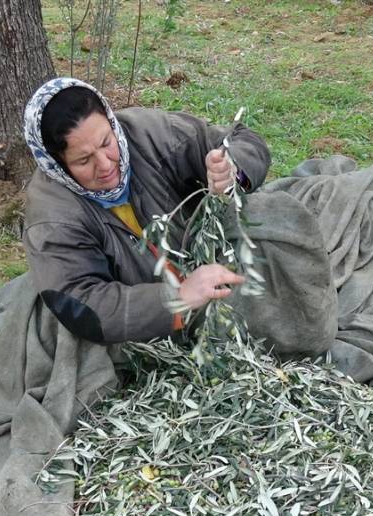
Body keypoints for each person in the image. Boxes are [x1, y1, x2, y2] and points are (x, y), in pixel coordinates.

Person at [21, 77, 271, 344]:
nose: (105, 165)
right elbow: (83, 302)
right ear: (57, 166)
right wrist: (178, 297)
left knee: (276, 221)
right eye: (84, 160)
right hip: (151, 330)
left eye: (106, 142)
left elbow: (243, 141)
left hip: (210, 262)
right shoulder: (52, 218)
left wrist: (233, 171)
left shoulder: (151, 134)